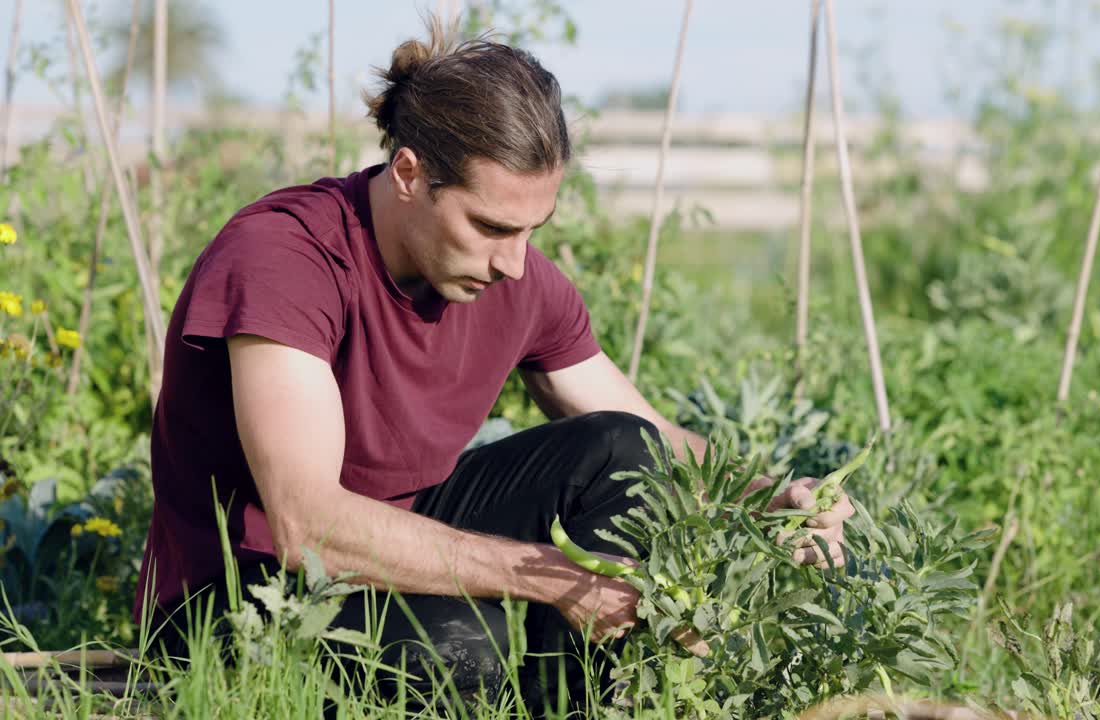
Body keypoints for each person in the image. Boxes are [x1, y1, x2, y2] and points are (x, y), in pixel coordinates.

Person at [132, 17, 855, 716]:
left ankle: (577, 706)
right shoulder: (285, 259)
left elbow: (650, 438)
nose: (513, 262)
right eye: (491, 226)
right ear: (410, 174)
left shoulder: (511, 279)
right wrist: (545, 580)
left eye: (532, 230)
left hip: (408, 551)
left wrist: (765, 498)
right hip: (240, 600)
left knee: (624, 452)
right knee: (469, 649)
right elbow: (307, 526)